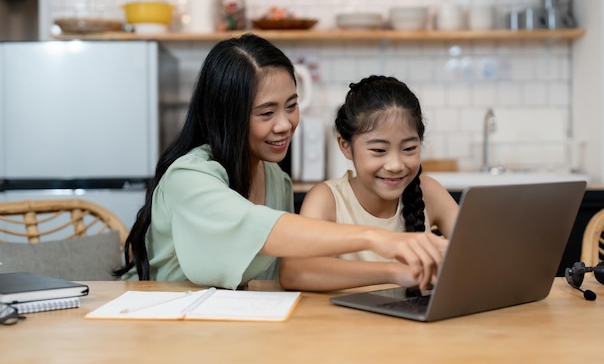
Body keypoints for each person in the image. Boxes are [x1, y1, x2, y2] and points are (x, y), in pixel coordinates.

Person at [114, 34, 448, 290]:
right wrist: (380, 239)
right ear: (228, 117)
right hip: (158, 320)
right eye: (266, 113)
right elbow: (261, 229)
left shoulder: (274, 176)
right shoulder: (190, 177)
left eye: (291, 105)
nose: (285, 124)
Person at [280, 75, 459, 292]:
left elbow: (480, 251)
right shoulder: (327, 199)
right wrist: (393, 272)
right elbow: (295, 272)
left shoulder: (429, 191)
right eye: (379, 151)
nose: (395, 165)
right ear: (345, 146)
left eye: (409, 149)